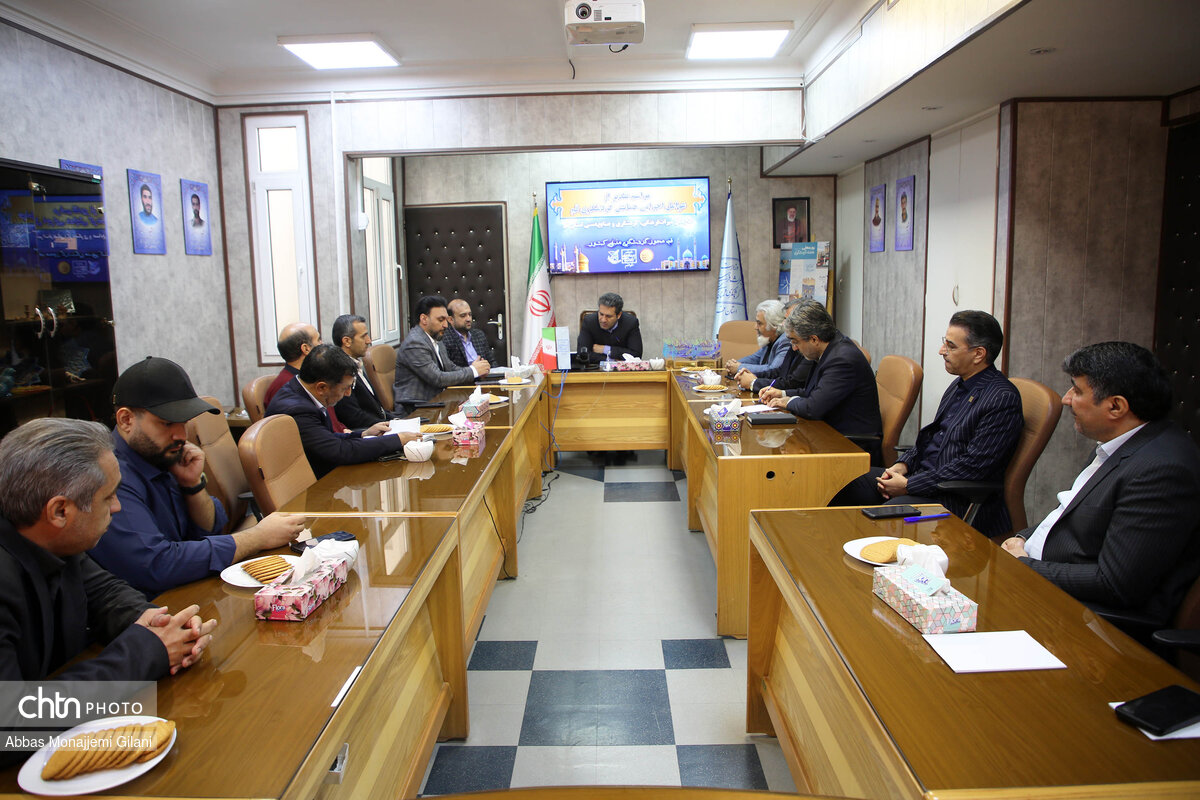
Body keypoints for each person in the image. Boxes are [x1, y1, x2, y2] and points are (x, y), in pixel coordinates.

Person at [0, 418, 218, 709]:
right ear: (60, 511)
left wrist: (163, 625)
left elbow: (105, 593)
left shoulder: (53, 539)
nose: (117, 507)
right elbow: (13, 716)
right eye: (108, 497)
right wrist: (149, 651)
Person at [1000, 342, 1200, 623]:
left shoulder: (1161, 470)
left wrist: (1025, 565)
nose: (1066, 399)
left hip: (1088, 620)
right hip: (1041, 581)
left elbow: (1115, 583)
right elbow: (1071, 512)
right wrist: (1024, 537)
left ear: (1116, 406)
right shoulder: (1121, 442)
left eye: (1077, 390)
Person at [88, 357, 306, 596]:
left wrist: (192, 486)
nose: (181, 436)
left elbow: (211, 530)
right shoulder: (109, 476)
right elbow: (156, 565)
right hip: (150, 606)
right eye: (167, 423)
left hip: (191, 590)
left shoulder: (163, 455)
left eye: (184, 423)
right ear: (126, 420)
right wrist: (258, 537)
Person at [832, 311, 1024, 538]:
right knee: (840, 482)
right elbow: (931, 438)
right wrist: (903, 465)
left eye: (951, 346)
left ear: (978, 354)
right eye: (945, 343)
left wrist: (909, 485)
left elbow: (972, 467)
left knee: (881, 520)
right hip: (924, 479)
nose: (942, 351)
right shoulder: (960, 385)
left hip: (955, 497)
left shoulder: (1002, 399)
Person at [270, 344, 419, 478]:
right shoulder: (298, 410)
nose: (348, 394)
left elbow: (326, 439)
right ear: (322, 387)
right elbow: (339, 451)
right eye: (345, 388)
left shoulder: (303, 391)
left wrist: (363, 434)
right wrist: (398, 439)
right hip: (312, 488)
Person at [760, 302, 882, 461]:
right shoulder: (828, 349)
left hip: (850, 446)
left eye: (795, 341)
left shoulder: (841, 360)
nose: (794, 348)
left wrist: (787, 402)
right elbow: (813, 392)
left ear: (814, 339)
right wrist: (782, 394)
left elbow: (812, 408)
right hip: (830, 432)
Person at [394, 295, 489, 404]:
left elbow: (450, 368)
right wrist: (473, 371)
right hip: (417, 407)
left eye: (446, 320)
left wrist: (477, 370)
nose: (446, 325)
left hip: (439, 400)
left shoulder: (436, 338)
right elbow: (438, 378)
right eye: (440, 320)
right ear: (424, 319)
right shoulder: (415, 343)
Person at [331, 313, 397, 429]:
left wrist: (398, 421)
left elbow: (376, 409)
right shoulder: (339, 371)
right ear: (347, 341)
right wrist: (391, 425)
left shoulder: (355, 363)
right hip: (368, 432)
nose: (369, 340)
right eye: (363, 336)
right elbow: (353, 417)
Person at [734, 298, 813, 393]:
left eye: (789, 320)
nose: (783, 324)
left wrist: (753, 382)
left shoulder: (799, 344)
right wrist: (752, 375)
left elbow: (792, 383)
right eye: (785, 320)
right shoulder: (792, 340)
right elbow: (779, 371)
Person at [264, 322, 321, 408]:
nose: (322, 344)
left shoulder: (307, 378)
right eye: (319, 340)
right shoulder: (286, 388)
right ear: (306, 349)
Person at [726, 299, 789, 377]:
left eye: (759, 323)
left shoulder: (785, 341)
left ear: (774, 325)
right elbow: (756, 358)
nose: (755, 327)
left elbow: (773, 370)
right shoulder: (769, 339)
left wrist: (739, 367)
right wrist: (733, 364)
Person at [577, 291, 642, 364]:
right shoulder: (589, 322)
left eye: (608, 316)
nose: (603, 320)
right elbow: (582, 355)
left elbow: (636, 355)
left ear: (619, 315)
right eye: (601, 314)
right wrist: (612, 361)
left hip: (622, 370)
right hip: (597, 368)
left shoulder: (630, 323)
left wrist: (606, 349)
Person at [443, 298, 499, 369]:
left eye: (470, 315)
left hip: (486, 375)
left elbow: (492, 362)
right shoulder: (445, 339)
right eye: (463, 316)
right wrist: (473, 370)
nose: (468, 319)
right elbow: (448, 369)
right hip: (465, 375)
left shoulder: (478, 335)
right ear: (450, 319)